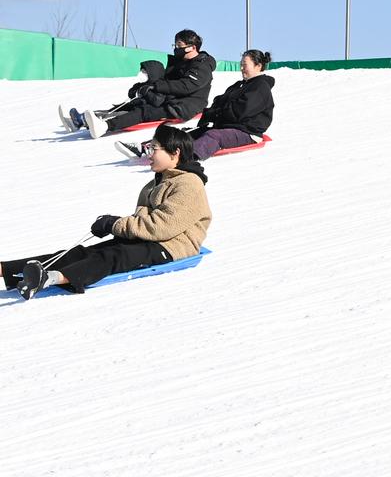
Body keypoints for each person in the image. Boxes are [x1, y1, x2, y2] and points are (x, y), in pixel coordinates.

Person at [5, 124, 211, 299]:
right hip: (150, 239)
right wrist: (114, 225)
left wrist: (115, 224)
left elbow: (161, 227)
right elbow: (144, 222)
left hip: (174, 246)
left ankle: (48, 278)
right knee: (82, 253)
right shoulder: (157, 181)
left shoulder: (189, 184)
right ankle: (5, 269)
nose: (149, 154)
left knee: (114, 255)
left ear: (175, 153)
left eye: (154, 148)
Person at [117, 48, 275, 161]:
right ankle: (146, 148)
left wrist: (217, 114)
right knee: (187, 133)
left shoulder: (260, 87)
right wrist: (212, 113)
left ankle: (189, 158)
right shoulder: (240, 85)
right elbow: (219, 101)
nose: (241, 68)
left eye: (244, 64)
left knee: (213, 136)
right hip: (228, 126)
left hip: (247, 132)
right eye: (240, 64)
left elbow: (240, 111)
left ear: (258, 66)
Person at [64, 29, 215, 139]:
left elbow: (186, 86)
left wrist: (157, 87)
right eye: (175, 45)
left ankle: (105, 126)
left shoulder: (202, 66)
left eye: (179, 45)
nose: (176, 49)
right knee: (136, 102)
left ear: (192, 47)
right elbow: (166, 81)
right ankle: (83, 120)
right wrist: (146, 86)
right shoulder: (180, 63)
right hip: (171, 98)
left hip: (185, 106)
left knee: (144, 111)